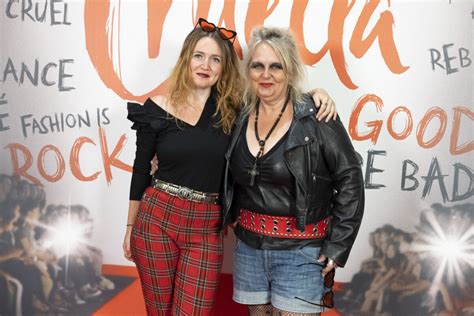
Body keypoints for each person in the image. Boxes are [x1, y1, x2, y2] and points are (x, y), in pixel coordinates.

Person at [123, 18, 337, 315]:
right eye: (199, 56)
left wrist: (315, 95)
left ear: (224, 67)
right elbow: (140, 170)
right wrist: (130, 227)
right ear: (187, 59)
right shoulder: (156, 107)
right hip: (156, 218)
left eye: (215, 59)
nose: (206, 65)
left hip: (206, 225)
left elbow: (278, 98)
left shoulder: (236, 111)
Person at [222, 26, 365, 315]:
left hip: (302, 251)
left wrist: (338, 246)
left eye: (276, 66)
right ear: (247, 71)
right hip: (249, 248)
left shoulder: (317, 116)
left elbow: (350, 179)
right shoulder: (239, 114)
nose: (266, 74)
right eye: (258, 66)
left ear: (290, 70)